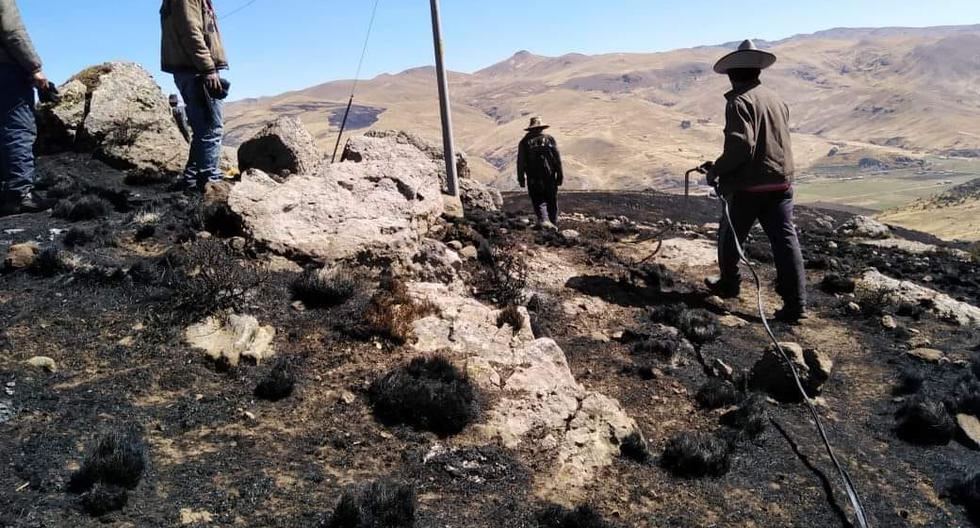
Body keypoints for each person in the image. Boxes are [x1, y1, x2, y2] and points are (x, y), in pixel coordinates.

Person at [704, 40, 807, 324]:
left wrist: (717, 171)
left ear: (731, 74)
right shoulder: (776, 99)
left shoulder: (739, 102)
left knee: (729, 236)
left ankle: (729, 284)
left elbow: (742, 146)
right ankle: (796, 304)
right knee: (786, 242)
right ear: (757, 71)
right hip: (782, 183)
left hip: (750, 186)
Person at [160, 0, 229, 192]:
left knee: (202, 130)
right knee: (211, 129)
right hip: (196, 70)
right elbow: (191, 31)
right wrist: (208, 68)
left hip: (189, 68)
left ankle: (191, 179)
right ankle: (210, 184)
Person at [0, 0, 49, 216]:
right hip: (6, 70)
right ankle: (20, 195)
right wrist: (34, 67)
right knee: (17, 127)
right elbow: (12, 30)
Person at [517, 116, 564, 228]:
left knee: (538, 200)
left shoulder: (524, 142)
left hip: (533, 176)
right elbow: (557, 158)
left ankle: (544, 222)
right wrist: (560, 175)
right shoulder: (550, 139)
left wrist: (521, 178)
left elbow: (521, 161)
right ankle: (553, 224)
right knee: (551, 199)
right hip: (550, 175)